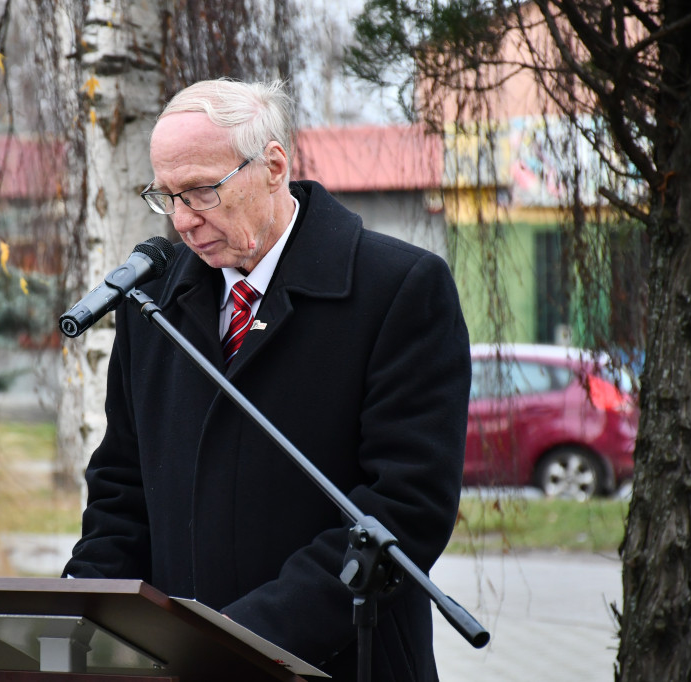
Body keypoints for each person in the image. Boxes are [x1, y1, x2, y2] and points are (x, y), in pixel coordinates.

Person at [63, 78, 471, 682]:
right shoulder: (151, 302)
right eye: (166, 196)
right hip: (185, 664)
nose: (182, 220)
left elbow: (405, 507)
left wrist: (240, 640)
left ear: (273, 165)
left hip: (339, 661)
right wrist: (80, 620)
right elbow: (124, 487)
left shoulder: (398, 289)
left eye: (201, 191)